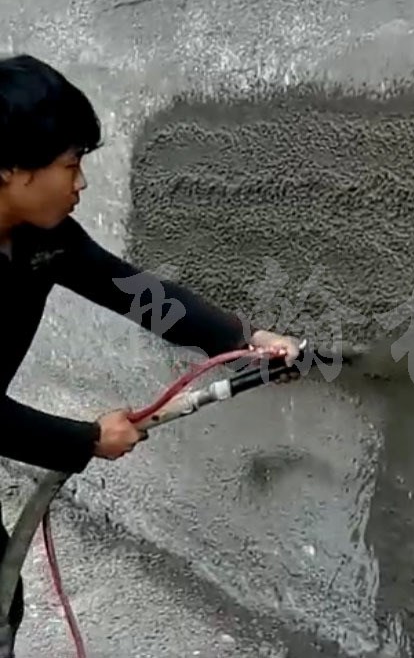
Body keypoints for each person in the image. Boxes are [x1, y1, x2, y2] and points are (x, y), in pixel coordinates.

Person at [0, 53, 301, 652]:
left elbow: (132, 291)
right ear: (10, 168)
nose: (81, 181)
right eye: (69, 164)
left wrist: (240, 338)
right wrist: (84, 440)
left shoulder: (41, 239)